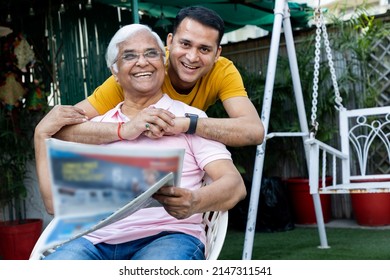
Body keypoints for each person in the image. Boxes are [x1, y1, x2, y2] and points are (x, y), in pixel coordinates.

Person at [34, 23, 246, 260]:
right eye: (130, 56)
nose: (142, 62)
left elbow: (234, 185)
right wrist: (40, 135)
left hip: (168, 236)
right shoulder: (97, 129)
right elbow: (54, 205)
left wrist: (195, 201)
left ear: (163, 65)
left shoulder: (188, 120)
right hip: (94, 242)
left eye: (151, 53)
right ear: (114, 71)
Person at [40, 6, 264, 148]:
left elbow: (254, 131)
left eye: (204, 49)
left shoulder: (222, 71)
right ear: (169, 42)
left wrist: (185, 123)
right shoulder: (141, 72)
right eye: (185, 44)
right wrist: (125, 130)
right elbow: (64, 130)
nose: (192, 57)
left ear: (217, 54)